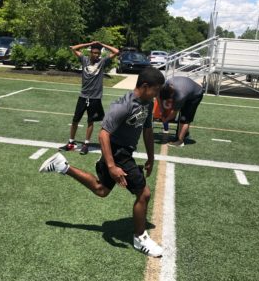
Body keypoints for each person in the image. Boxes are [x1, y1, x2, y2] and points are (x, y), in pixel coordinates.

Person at [40, 67, 165, 257]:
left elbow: (147, 130)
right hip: (117, 154)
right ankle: (140, 238)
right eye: (156, 89)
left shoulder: (148, 103)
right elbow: (103, 134)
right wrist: (112, 166)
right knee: (144, 194)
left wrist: (151, 157)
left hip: (124, 152)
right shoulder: (123, 106)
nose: (157, 94)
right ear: (145, 86)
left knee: (101, 190)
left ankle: (62, 166)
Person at [59, 41, 119, 155]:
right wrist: (90, 43)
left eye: (98, 53)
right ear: (90, 52)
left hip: (95, 98)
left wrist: (102, 44)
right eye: (94, 53)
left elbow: (116, 51)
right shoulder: (84, 60)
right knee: (75, 120)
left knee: (90, 122)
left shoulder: (102, 62)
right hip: (83, 96)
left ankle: (86, 144)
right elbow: (74, 48)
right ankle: (71, 143)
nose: (96, 55)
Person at [158, 76, 204, 147]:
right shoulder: (165, 85)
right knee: (183, 116)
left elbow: (173, 114)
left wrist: (165, 120)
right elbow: (158, 96)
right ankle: (185, 134)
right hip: (187, 87)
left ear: (172, 95)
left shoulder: (180, 96)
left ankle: (180, 141)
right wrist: (161, 109)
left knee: (184, 118)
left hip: (196, 95)